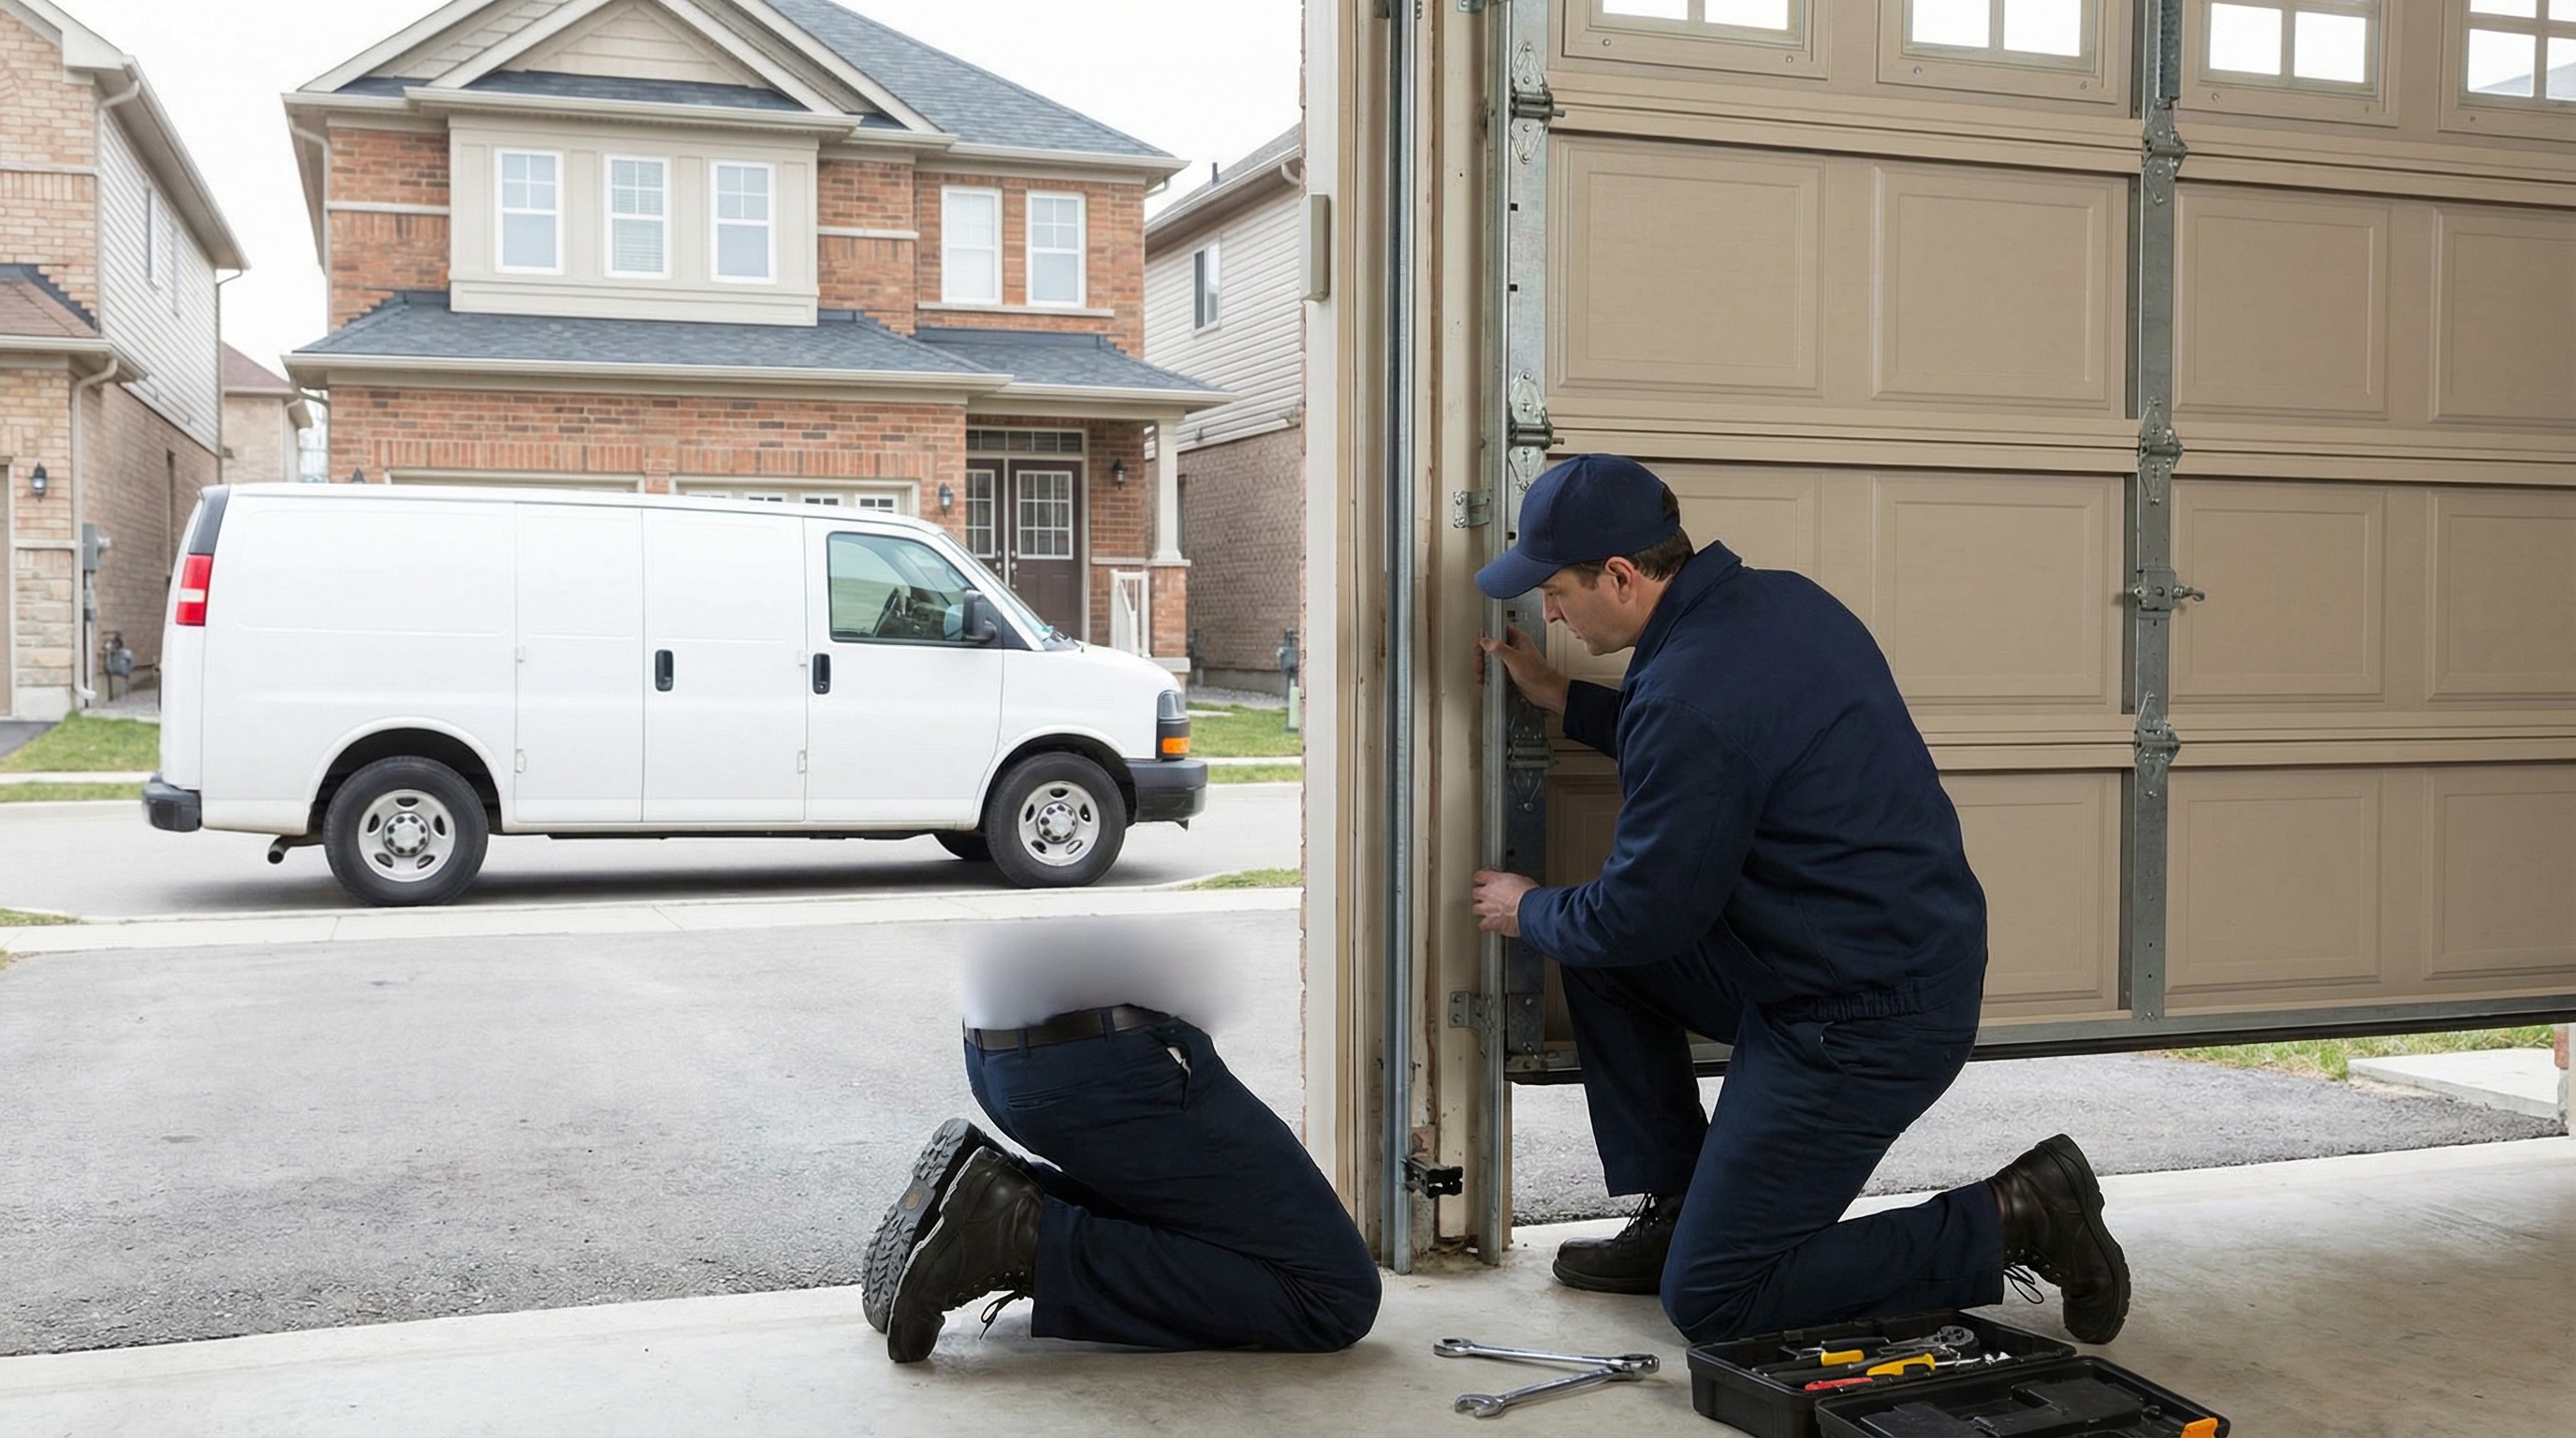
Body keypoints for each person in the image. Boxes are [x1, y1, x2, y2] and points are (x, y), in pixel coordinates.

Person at [1468, 454, 2130, 1345]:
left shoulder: (1686, 696)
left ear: (1620, 577)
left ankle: (2017, 1212)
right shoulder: (1781, 605)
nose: (1547, 611)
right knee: (1609, 967)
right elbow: (1717, 740)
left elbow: (1642, 908)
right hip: (1859, 957)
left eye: (1555, 590)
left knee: (1717, 1298)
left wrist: (1526, 907)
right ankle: (1683, 1207)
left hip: (1860, 1018)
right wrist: (1567, 700)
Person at [859, 920, 1380, 1362]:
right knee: (1334, 1295)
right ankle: (1023, 1233)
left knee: (1203, 1218)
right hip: (1102, 1063)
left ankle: (986, 1186)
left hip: (1000, 1057)